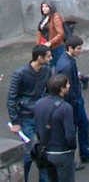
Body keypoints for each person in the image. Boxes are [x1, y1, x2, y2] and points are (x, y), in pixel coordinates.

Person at [8, 45, 52, 182]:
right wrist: (15, 122)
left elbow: (49, 90)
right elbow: (12, 98)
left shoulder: (47, 70)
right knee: (28, 154)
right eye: (49, 56)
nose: (51, 58)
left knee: (43, 153)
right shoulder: (20, 74)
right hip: (27, 117)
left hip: (42, 115)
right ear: (40, 58)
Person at [54, 36, 89, 169]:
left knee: (84, 126)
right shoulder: (67, 65)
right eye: (79, 48)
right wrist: (75, 100)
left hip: (75, 101)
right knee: (72, 131)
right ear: (70, 48)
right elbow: (69, 87)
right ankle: (72, 160)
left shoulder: (66, 60)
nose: (81, 51)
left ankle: (85, 153)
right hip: (73, 102)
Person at [33, 74, 75, 182]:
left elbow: (37, 127)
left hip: (46, 152)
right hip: (63, 152)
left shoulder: (38, 104)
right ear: (62, 89)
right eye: (67, 84)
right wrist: (72, 147)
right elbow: (70, 134)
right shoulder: (66, 108)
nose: (69, 86)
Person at [38, 1, 66, 66]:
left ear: (51, 7)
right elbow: (40, 31)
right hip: (46, 46)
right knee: (46, 66)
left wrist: (50, 42)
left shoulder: (56, 17)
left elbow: (61, 33)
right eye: (42, 7)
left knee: (59, 65)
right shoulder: (45, 17)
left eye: (46, 7)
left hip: (56, 47)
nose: (43, 9)